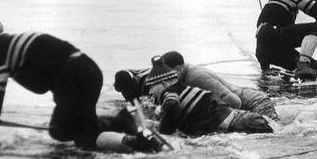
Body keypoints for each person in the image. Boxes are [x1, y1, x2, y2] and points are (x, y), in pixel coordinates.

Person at [0, 18, 163, 153]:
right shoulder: (16, 41)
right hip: (89, 70)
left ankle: (134, 144)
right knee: (64, 128)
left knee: (82, 137)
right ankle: (121, 121)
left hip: (72, 79)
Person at [113, 51, 279, 121]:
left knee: (276, 133)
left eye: (170, 75)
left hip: (255, 103)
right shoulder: (166, 75)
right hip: (247, 102)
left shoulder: (196, 76)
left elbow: (234, 101)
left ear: (179, 69)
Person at [134, 56, 273, 136]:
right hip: (246, 119)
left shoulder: (177, 90)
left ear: (164, 82)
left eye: (152, 86)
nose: (150, 91)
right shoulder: (180, 88)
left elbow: (171, 106)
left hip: (249, 113)